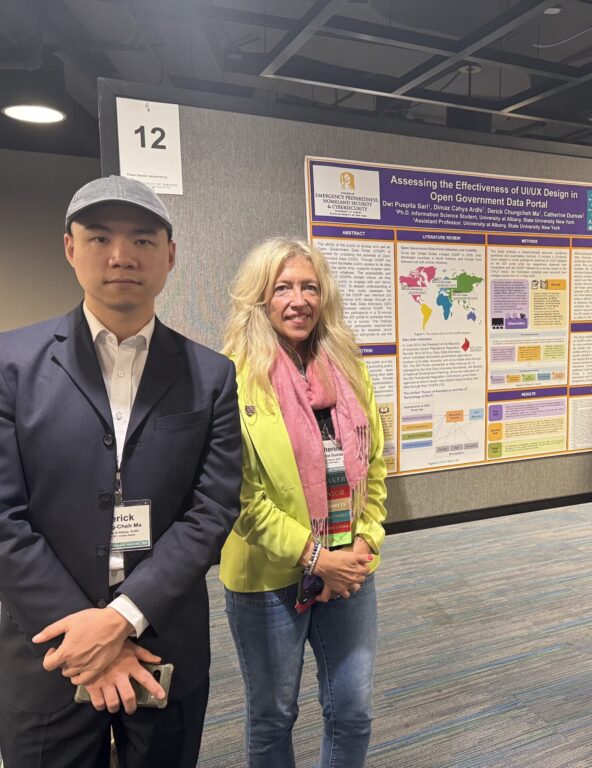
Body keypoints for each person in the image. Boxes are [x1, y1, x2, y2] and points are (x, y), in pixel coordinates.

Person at [0, 175, 242, 767]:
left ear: (170, 256)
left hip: (163, 638)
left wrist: (123, 617)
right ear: (69, 248)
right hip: (51, 649)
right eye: (99, 238)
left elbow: (211, 510)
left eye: (142, 240)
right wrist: (85, 635)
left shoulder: (211, 375)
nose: (121, 256)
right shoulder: (6, 364)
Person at [219, 238, 388, 768]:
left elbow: (376, 467)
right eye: (283, 287)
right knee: (274, 715)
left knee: (353, 711)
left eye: (309, 287)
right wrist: (317, 558)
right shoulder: (234, 377)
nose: (298, 300)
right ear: (260, 299)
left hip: (350, 570)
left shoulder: (348, 368)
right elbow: (241, 497)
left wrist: (366, 538)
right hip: (271, 577)